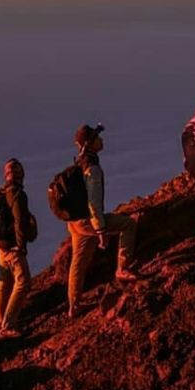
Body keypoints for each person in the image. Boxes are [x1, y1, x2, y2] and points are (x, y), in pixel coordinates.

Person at [66, 124, 138, 317]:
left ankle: (73, 305)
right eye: (97, 137)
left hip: (75, 222)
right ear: (90, 143)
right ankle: (122, 268)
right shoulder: (93, 168)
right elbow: (94, 204)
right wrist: (101, 231)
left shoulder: (79, 162)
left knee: (78, 263)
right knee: (128, 224)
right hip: (89, 221)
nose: (102, 140)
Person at [0, 158, 32, 338]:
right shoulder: (17, 194)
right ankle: (8, 324)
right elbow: (20, 222)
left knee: (4, 281)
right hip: (11, 247)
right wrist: (21, 246)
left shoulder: (0, 193)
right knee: (23, 282)